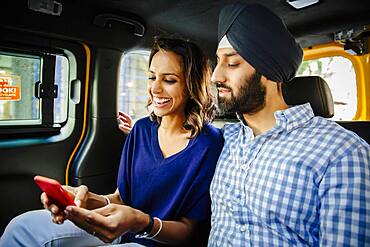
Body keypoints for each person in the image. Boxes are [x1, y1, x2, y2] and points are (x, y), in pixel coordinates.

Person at [0, 36, 224, 247]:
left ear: (192, 85)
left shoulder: (209, 145)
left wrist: (143, 223)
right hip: (122, 229)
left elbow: (190, 231)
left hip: (158, 241)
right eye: (152, 76)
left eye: (169, 80)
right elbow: (121, 198)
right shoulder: (142, 130)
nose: (155, 88)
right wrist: (85, 200)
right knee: (22, 228)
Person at [207, 3, 370, 246]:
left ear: (268, 70)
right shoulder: (226, 138)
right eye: (218, 61)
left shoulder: (341, 151)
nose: (216, 76)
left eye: (232, 63)